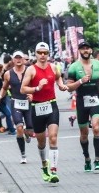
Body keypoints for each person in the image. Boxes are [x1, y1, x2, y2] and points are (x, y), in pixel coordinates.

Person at [21, 41, 69, 183]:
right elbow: (23, 89)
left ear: (48, 54)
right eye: (40, 53)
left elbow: (58, 77)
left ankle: (54, 170)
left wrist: (61, 86)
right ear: (35, 54)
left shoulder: (54, 67)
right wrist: (36, 89)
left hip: (51, 106)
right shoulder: (31, 70)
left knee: (53, 137)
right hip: (37, 107)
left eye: (45, 53)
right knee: (41, 142)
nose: (42, 55)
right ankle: (44, 165)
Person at [66, 41, 99, 172]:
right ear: (79, 51)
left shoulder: (98, 64)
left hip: (95, 100)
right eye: (82, 48)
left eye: (87, 48)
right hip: (81, 102)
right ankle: (87, 159)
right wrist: (80, 81)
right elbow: (68, 87)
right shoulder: (73, 67)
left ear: (91, 50)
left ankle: (97, 160)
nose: (85, 50)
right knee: (84, 133)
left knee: (96, 128)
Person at [0, 51, 35, 164]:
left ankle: (27, 133)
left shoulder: (30, 71)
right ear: (13, 60)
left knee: (30, 130)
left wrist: (32, 94)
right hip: (16, 103)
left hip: (28, 103)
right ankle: (23, 155)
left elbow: (35, 85)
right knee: (19, 127)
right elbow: (4, 88)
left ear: (24, 59)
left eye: (20, 58)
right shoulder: (8, 74)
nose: (18, 60)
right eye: (16, 58)